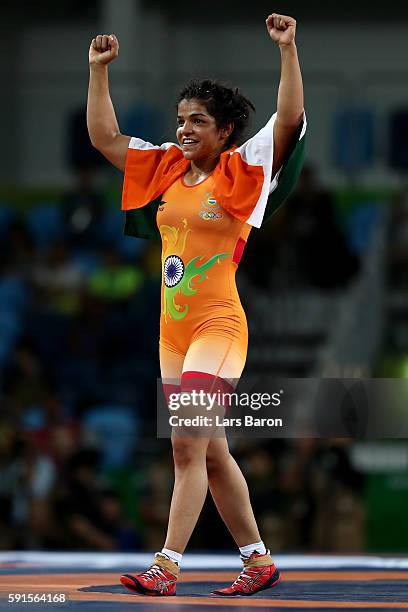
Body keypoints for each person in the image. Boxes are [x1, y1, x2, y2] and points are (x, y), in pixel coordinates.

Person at [87, 12, 305, 597]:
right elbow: (105, 138)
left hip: (218, 326)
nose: (184, 129)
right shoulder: (163, 168)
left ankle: (167, 566)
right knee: (209, 454)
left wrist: (287, 50)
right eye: (180, 119)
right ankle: (258, 561)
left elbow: (290, 119)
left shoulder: (244, 169)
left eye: (198, 121)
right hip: (171, 333)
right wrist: (97, 71)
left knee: (186, 444)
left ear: (226, 129)